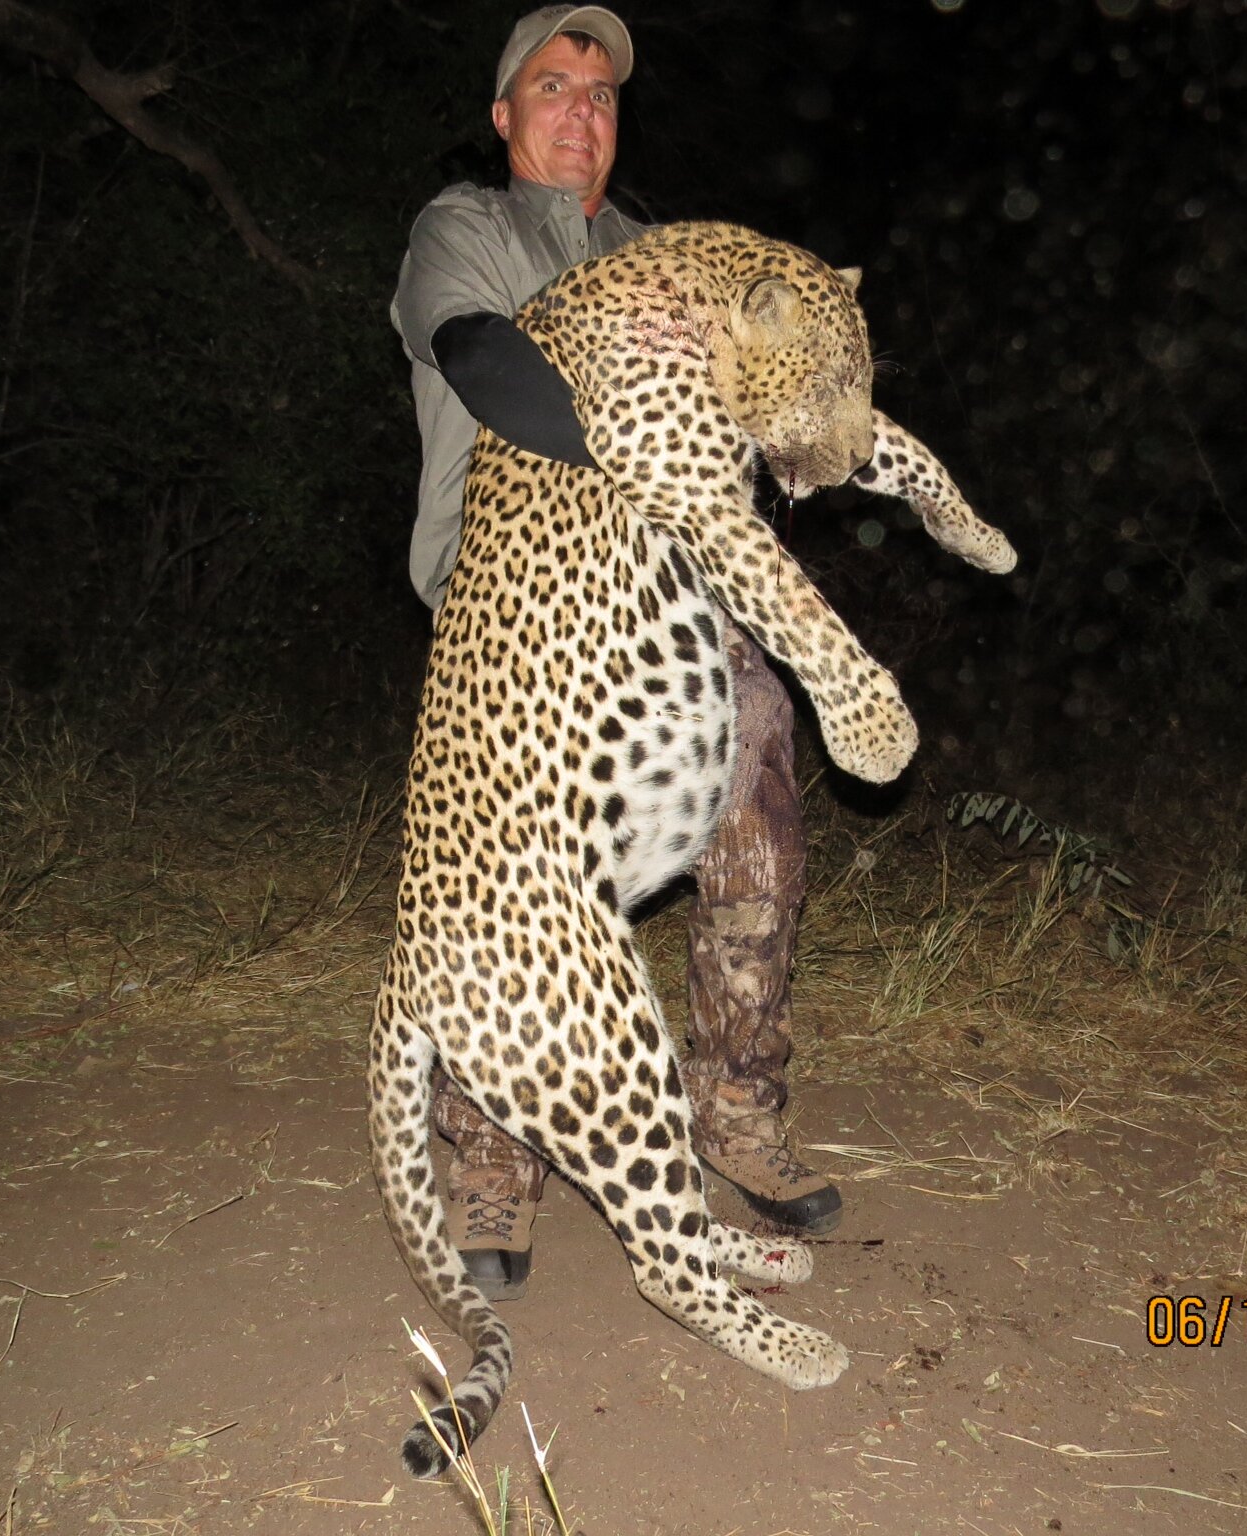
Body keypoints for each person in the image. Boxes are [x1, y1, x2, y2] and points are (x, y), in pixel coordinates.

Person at [387, 5, 842, 1301]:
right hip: (512, 609)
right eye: (552, 86)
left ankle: (736, 1111)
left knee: (756, 811)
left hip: (669, 604)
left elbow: (759, 409)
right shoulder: (460, 230)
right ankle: (492, 1169)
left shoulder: (666, 253)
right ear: (504, 116)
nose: (581, 110)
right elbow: (487, 364)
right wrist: (650, 443)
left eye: (601, 92)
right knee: (518, 890)